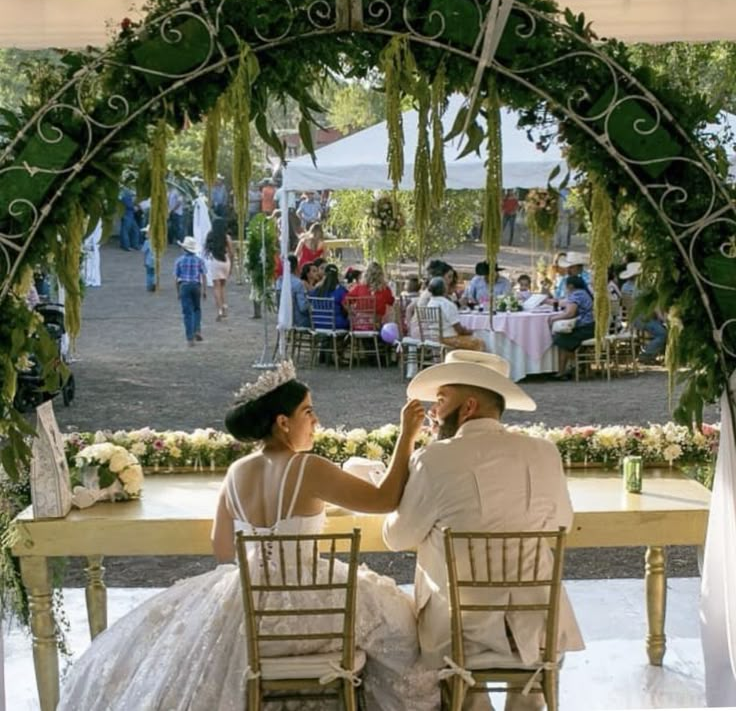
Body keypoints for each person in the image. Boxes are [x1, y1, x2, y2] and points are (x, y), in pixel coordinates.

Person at [57, 362, 439, 711]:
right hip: (314, 612)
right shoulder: (309, 467)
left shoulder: (237, 472)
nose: (316, 421)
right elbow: (386, 498)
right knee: (400, 627)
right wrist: (406, 436)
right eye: (308, 411)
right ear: (283, 422)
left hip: (251, 614)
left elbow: (222, 548)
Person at [383, 350, 585, 710]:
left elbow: (397, 539)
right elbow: (562, 524)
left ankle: (471, 703)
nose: (432, 411)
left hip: (459, 628)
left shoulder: (434, 459)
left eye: (441, 400)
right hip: (538, 620)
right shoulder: (545, 452)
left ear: (469, 406)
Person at [619, 261, 667, 364]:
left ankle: (653, 354)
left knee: (660, 327)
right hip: (643, 319)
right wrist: (661, 317)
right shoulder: (643, 287)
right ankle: (647, 354)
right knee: (663, 333)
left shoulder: (624, 287)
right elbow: (655, 305)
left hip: (633, 320)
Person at [550, 274, 595, 379]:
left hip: (585, 327)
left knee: (560, 339)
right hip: (590, 326)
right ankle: (575, 367)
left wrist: (554, 318)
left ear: (570, 286)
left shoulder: (577, 295)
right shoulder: (584, 293)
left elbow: (570, 313)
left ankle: (570, 368)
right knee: (563, 337)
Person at [427, 277, 485, 352]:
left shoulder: (430, 303)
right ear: (445, 289)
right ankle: (469, 363)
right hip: (448, 338)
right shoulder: (447, 304)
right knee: (479, 343)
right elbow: (459, 330)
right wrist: (471, 331)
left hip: (434, 337)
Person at [174, 236, 207, 347]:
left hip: (184, 285)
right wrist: (204, 290)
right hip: (196, 285)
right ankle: (197, 329)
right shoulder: (199, 260)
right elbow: (204, 275)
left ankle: (190, 337)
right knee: (197, 309)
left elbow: (176, 278)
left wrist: (177, 292)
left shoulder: (179, 261)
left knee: (187, 312)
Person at [204, 218, 234, 321]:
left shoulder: (210, 236)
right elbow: (232, 253)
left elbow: (206, 249)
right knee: (222, 286)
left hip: (215, 261)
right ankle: (224, 305)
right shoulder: (226, 237)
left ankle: (220, 309)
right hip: (225, 261)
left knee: (216, 287)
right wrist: (232, 267)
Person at [309, 263, 349, 330]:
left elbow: (309, 300)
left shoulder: (316, 290)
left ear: (325, 275)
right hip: (335, 324)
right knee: (349, 321)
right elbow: (347, 308)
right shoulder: (341, 291)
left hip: (317, 323)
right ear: (337, 276)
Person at [276, 254, 310, 328]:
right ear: (296, 267)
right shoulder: (298, 283)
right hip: (298, 321)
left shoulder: (279, 281)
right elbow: (303, 307)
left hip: (282, 318)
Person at [119, 186, 140, 251]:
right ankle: (127, 246)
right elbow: (130, 206)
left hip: (130, 216)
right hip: (127, 215)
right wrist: (136, 207)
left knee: (134, 230)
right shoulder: (125, 197)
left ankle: (133, 245)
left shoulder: (127, 197)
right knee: (126, 231)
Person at [140, 225, 155, 292]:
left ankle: (149, 285)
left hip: (149, 261)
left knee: (149, 274)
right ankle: (153, 284)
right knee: (153, 274)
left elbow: (144, 251)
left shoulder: (147, 242)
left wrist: (144, 261)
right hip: (156, 260)